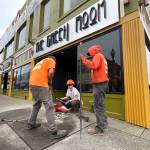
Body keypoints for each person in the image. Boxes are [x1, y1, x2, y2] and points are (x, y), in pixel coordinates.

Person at [27, 56, 67, 139]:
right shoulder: (51, 60)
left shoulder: (39, 63)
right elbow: (51, 72)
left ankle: (31, 123)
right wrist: (49, 82)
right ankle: (53, 132)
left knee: (37, 104)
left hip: (32, 85)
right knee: (49, 107)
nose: (54, 64)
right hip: (41, 85)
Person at [80, 44, 109, 135]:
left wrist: (84, 60)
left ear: (93, 50)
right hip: (102, 83)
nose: (90, 55)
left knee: (98, 106)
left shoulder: (97, 55)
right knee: (100, 105)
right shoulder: (101, 56)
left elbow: (93, 66)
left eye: (90, 53)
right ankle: (103, 124)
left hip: (99, 84)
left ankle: (100, 128)